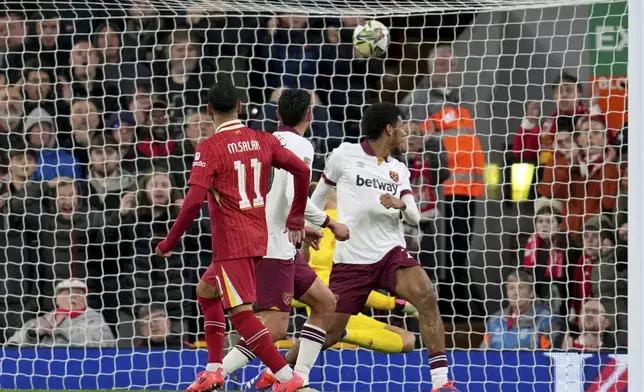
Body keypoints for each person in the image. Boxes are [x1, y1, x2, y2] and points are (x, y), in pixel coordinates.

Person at [283, 102, 458, 392]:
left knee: (427, 296)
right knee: (330, 333)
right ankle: (281, 372)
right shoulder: (343, 155)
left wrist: (401, 204)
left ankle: (440, 383)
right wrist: (310, 227)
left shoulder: (398, 169)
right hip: (352, 258)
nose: (405, 132)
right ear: (389, 129)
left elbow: (414, 215)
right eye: (402, 126)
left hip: (390, 253)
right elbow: (318, 197)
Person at [155, 82, 312, 392]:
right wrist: (296, 214)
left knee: (241, 315)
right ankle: (214, 370)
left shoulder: (210, 148)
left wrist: (168, 242)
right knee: (206, 292)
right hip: (258, 237)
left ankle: (287, 378)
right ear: (240, 106)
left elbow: (191, 204)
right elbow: (303, 172)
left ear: (209, 110)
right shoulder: (262, 139)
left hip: (233, 243)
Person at [226, 89, 349, 391]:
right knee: (276, 328)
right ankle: (217, 373)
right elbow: (293, 195)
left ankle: (300, 381)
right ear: (310, 116)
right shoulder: (301, 145)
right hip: (272, 246)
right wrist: (329, 222)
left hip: (275, 238)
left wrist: (299, 226)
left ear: (277, 115)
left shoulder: (263, 141)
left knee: (324, 302)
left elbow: (271, 197)